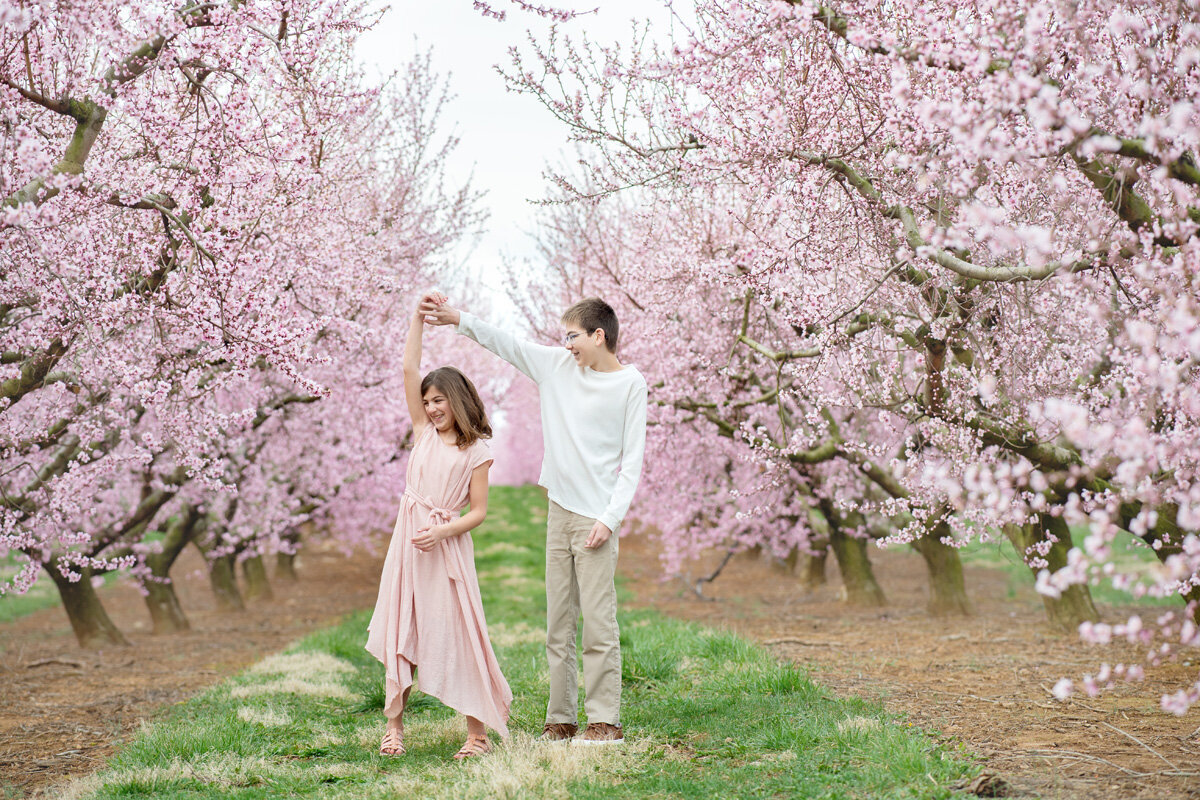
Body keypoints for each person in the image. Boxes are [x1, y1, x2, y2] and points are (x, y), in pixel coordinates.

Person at [421, 293, 647, 746]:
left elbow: (632, 461)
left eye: (573, 336)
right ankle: (560, 719)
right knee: (557, 624)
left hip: (596, 517)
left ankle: (605, 721)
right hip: (559, 510)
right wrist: (458, 319)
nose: (566, 345)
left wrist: (610, 518)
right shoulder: (556, 368)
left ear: (598, 336)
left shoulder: (630, 385)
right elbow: (506, 343)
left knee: (599, 623)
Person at [364, 296, 512, 760]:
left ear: (457, 399)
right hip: (408, 545)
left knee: (460, 631)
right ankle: (393, 728)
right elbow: (409, 368)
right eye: (426, 401)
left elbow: (478, 512)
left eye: (438, 399)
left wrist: (443, 532)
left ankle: (478, 735)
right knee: (400, 629)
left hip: (446, 548)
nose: (430, 408)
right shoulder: (422, 433)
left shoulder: (476, 450)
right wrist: (415, 318)